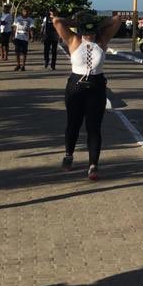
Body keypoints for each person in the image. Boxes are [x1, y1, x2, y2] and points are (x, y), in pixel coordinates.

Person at [53, 12, 123, 181]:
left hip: (96, 85)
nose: (89, 35)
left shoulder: (102, 40)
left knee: (94, 127)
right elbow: (56, 21)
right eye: (85, 32)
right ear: (80, 31)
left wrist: (98, 23)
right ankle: (68, 155)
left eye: (91, 32)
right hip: (76, 86)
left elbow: (117, 19)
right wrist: (74, 21)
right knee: (73, 124)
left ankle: (93, 164)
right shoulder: (73, 40)